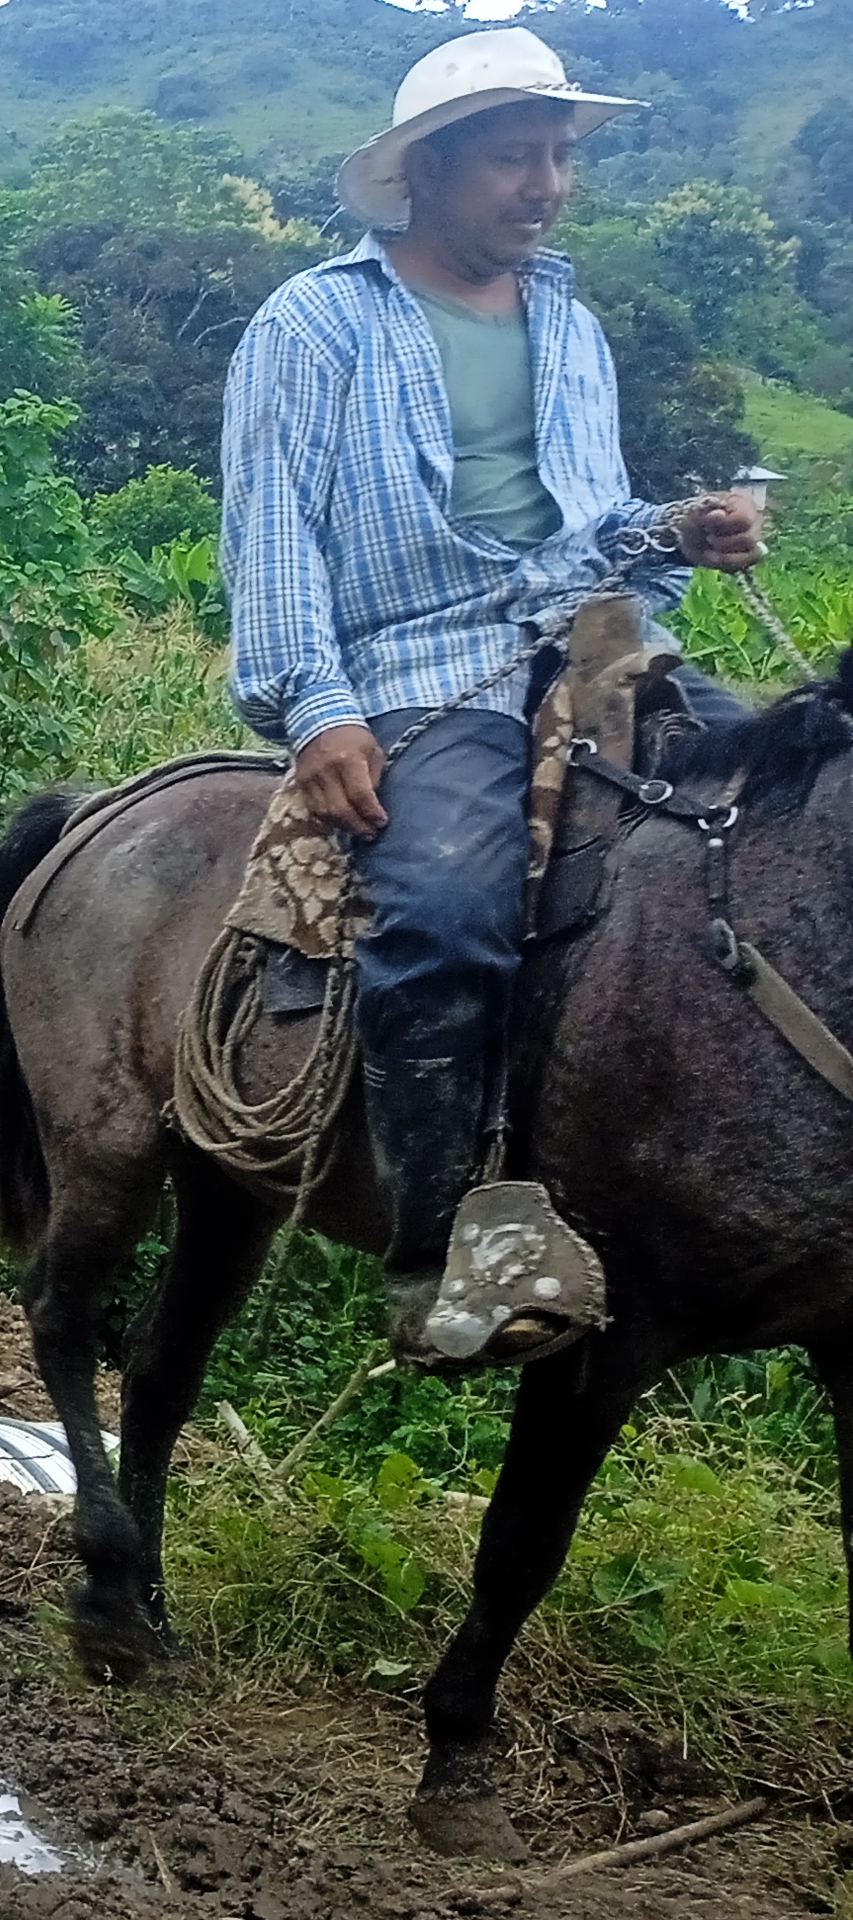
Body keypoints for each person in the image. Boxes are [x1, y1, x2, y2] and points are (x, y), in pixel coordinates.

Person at [221, 27, 767, 1364]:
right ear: (427, 168)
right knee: (446, 917)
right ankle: (434, 1260)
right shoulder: (316, 323)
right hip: (425, 663)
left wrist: (679, 530)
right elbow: (270, 526)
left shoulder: (567, 324)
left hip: (600, 641)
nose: (545, 186)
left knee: (782, 810)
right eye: (514, 158)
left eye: (558, 157)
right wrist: (319, 711)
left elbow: (591, 526)